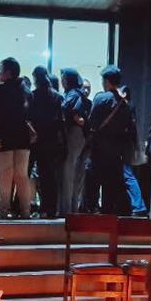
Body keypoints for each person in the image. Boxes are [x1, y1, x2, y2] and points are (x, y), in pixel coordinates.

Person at [0, 57, 35, 218]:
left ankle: (4, 209)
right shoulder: (26, 91)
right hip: (23, 139)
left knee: (5, 174)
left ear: (7, 73)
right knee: (22, 175)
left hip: (3, 137)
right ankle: (25, 210)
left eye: (0, 70)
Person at [83, 66, 133, 215]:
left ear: (107, 81)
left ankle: (91, 214)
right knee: (110, 189)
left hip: (98, 150)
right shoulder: (125, 104)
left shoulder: (100, 98)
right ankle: (107, 218)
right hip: (116, 152)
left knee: (92, 185)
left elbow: (91, 122)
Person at [28, 65, 64, 218]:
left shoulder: (33, 95)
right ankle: (51, 208)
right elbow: (61, 121)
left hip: (35, 139)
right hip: (51, 140)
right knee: (50, 176)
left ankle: (34, 206)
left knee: (32, 174)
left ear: (35, 78)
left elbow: (28, 117)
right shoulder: (57, 96)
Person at [58, 69, 90, 216]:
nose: (62, 81)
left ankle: (66, 210)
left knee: (68, 172)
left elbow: (67, 109)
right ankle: (73, 208)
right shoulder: (80, 94)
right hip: (80, 136)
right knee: (76, 174)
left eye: (63, 78)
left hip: (73, 134)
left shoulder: (72, 94)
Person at [120, 86, 147, 216]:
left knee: (127, 175)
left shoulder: (126, 107)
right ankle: (136, 205)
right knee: (127, 174)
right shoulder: (130, 107)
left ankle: (139, 205)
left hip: (124, 145)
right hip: (128, 145)